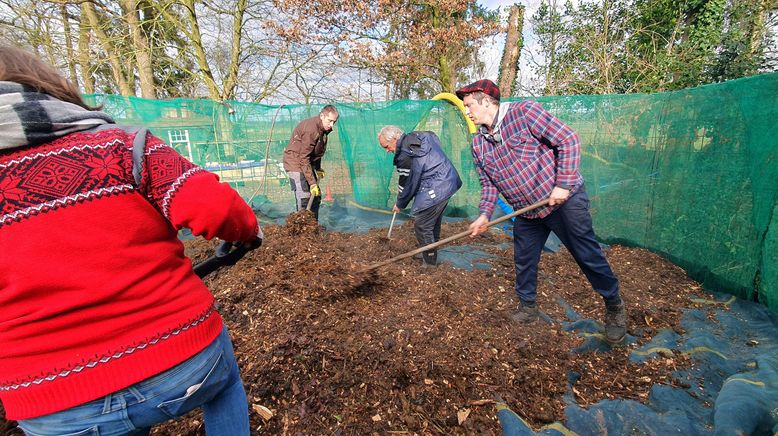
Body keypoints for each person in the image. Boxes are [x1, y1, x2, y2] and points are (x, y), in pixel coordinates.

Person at [0, 45, 260, 435]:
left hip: (51, 399)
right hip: (183, 355)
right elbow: (218, 208)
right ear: (44, 86)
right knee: (223, 385)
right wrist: (247, 232)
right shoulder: (121, 146)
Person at [455, 79, 627, 343]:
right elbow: (488, 184)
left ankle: (614, 304)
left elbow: (568, 140)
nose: (466, 112)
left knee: (586, 253)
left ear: (487, 101)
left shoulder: (524, 113)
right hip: (527, 211)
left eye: (468, 106)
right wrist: (484, 214)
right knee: (524, 259)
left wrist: (563, 184)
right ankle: (528, 307)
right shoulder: (479, 144)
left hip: (562, 201)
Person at [377, 126, 462, 267]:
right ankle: (429, 252)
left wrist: (399, 203)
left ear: (394, 139)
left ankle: (429, 262)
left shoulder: (404, 155)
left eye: (386, 146)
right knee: (431, 222)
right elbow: (434, 136)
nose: (386, 150)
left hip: (437, 186)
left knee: (422, 225)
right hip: (448, 179)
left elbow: (407, 184)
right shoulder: (419, 136)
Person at [283, 105, 339, 220]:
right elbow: (303, 158)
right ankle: (301, 228)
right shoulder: (311, 130)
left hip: (305, 163)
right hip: (295, 163)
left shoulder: (322, 129)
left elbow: (316, 151)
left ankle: (313, 226)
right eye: (330, 121)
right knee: (304, 197)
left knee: (316, 196)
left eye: (334, 122)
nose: (332, 125)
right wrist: (312, 183)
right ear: (322, 116)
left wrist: (318, 168)